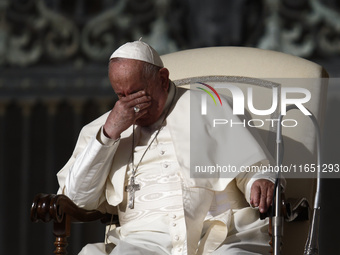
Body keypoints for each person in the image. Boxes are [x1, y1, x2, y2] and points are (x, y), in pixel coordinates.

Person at [57, 40, 277, 255]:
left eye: (137, 94)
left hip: (220, 231)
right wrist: (109, 135)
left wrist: (258, 182)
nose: (129, 106)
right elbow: (77, 199)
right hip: (142, 240)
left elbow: (252, 165)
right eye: (121, 96)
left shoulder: (211, 106)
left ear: (162, 79)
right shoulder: (102, 129)